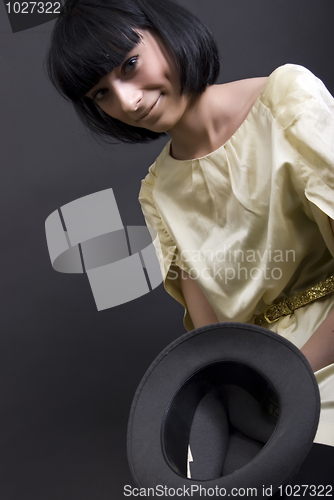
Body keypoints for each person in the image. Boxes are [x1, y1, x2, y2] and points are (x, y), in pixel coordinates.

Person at [46, 0, 334, 446]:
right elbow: (212, 336)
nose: (128, 100)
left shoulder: (286, 98)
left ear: (163, 29)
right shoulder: (158, 192)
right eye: (101, 93)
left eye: (130, 64)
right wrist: (246, 388)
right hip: (253, 379)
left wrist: (286, 375)